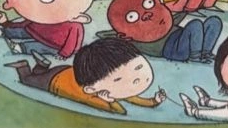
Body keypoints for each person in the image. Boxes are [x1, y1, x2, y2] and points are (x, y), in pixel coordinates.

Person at [14, 34, 168, 115]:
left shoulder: (120, 87)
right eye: (118, 79)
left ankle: (42, 65)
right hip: (54, 81)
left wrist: (154, 101)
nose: (136, 79)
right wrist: (110, 100)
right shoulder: (97, 96)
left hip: (67, 71)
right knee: (28, 80)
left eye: (138, 67)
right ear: (90, 89)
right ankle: (23, 66)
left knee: (38, 75)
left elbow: (133, 97)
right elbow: (120, 111)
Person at [106, 0, 222, 64]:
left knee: (214, 22)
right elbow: (115, 40)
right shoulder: (134, 40)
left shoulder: (164, 20)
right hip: (173, 50)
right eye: (132, 17)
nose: (147, 14)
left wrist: (185, 11)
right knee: (195, 25)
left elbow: (174, 19)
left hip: (184, 39)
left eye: (149, 3)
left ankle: (205, 53)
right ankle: (195, 57)